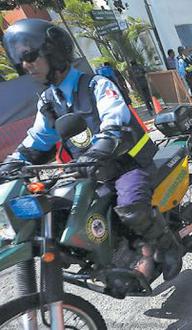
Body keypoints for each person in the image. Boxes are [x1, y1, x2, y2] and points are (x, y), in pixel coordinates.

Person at [0, 19, 182, 281]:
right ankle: (115, 256)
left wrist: (99, 149)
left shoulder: (97, 85)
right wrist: (12, 163)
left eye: (30, 56)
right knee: (67, 208)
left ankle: (168, 247)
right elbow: (37, 140)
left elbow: (114, 123)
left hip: (126, 163)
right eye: (21, 60)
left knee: (130, 207)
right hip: (91, 170)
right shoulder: (49, 101)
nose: (25, 65)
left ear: (54, 51)